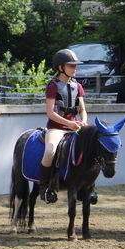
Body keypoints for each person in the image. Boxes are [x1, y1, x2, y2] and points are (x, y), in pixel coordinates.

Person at [40, 48, 87, 204]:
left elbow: (82, 109)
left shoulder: (78, 86)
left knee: (93, 147)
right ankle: (45, 187)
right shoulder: (52, 86)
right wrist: (69, 123)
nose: (75, 69)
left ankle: (89, 187)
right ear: (61, 67)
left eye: (75, 66)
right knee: (50, 151)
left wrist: (84, 121)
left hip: (76, 127)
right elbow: (50, 113)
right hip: (57, 128)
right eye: (71, 66)